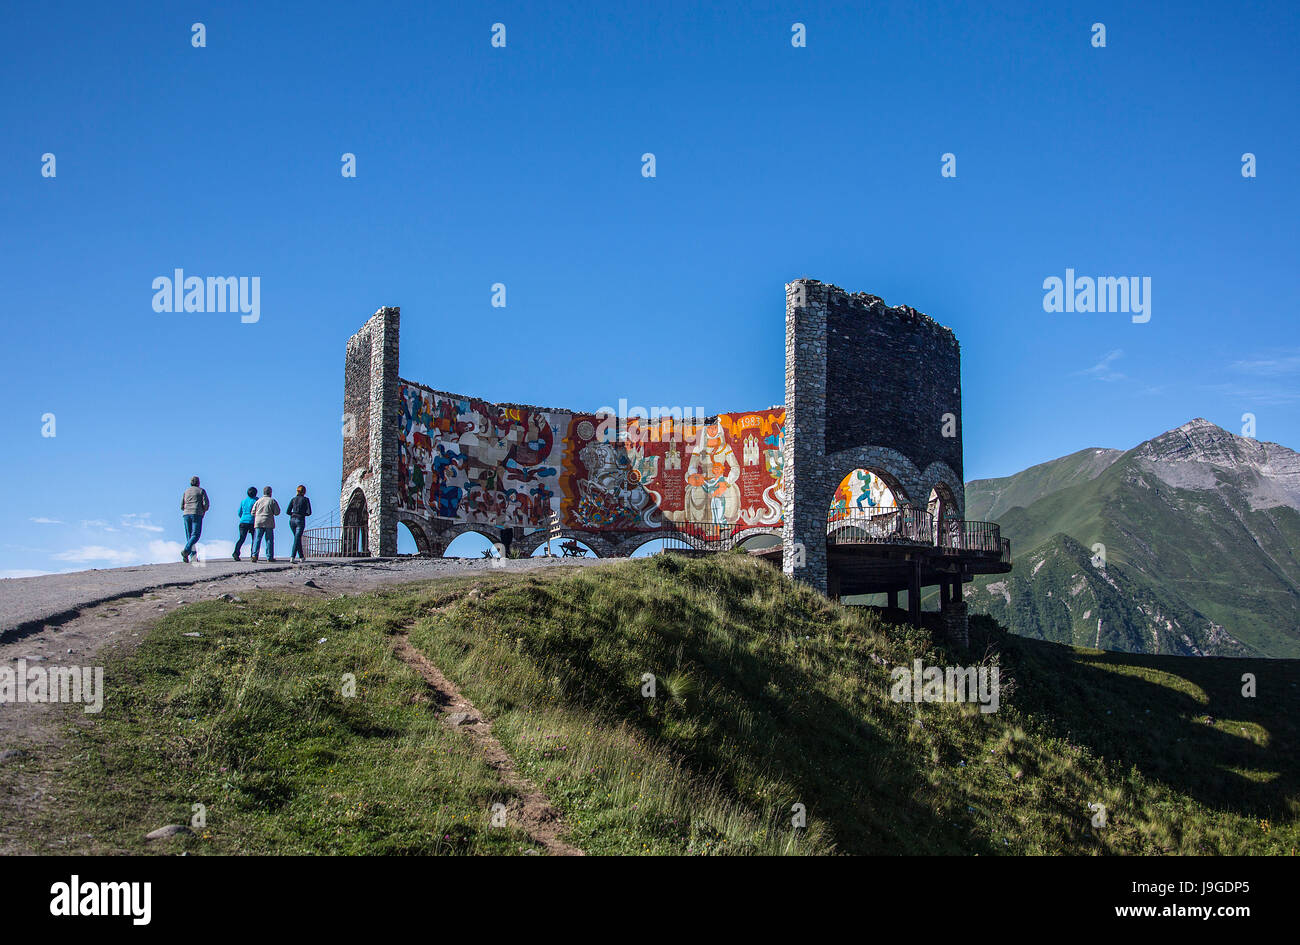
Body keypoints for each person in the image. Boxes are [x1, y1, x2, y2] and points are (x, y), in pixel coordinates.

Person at [180, 476, 210, 563]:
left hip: (186, 514)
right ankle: (186, 551)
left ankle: (192, 556)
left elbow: (182, 505)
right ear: (198, 483)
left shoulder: (186, 491)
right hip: (197, 513)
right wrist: (203, 510)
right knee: (195, 535)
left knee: (190, 536)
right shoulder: (201, 491)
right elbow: (206, 504)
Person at [250, 486, 280, 563]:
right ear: (270, 492)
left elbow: (252, 512)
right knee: (269, 540)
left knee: (257, 539)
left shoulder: (258, 501)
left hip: (259, 521)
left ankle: (254, 555)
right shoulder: (272, 501)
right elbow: (277, 512)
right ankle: (269, 557)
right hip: (268, 521)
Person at [286, 485, 312, 563]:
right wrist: (303, 514)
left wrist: (293, 513)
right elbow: (309, 512)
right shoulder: (306, 500)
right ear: (304, 491)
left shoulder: (293, 499)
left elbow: (287, 511)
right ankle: (292, 557)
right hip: (300, 520)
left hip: (292, 520)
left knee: (297, 538)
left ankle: (301, 557)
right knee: (297, 539)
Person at [232, 487, 258, 561]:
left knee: (241, 538)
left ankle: (236, 553)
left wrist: (243, 518)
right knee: (254, 539)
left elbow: (239, 512)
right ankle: (253, 555)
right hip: (253, 522)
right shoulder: (256, 501)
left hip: (243, 521)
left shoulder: (243, 501)